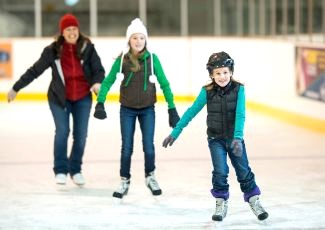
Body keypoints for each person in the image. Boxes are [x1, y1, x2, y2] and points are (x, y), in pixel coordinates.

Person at [162, 51, 269, 221]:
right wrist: (175, 132)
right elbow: (191, 112)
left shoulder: (239, 89)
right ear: (211, 75)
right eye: (218, 73)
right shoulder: (207, 91)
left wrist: (238, 138)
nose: (222, 76)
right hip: (215, 140)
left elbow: (241, 114)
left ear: (231, 71)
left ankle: (254, 200)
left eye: (225, 72)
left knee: (243, 170)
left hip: (235, 139)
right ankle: (221, 202)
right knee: (220, 171)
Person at [7, 13, 105, 186]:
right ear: (62, 32)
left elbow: (99, 70)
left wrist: (97, 83)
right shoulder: (52, 51)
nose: (72, 32)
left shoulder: (87, 48)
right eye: (68, 29)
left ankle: (75, 170)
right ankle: (60, 170)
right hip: (59, 98)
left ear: (78, 30)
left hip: (83, 97)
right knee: (62, 131)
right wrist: (16, 87)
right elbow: (34, 71)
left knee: (80, 135)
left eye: (74, 29)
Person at [93, 18, 180, 198]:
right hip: (127, 110)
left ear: (145, 40)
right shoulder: (123, 60)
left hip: (148, 109)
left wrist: (172, 108)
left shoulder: (153, 59)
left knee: (148, 146)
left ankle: (150, 176)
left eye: (141, 38)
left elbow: (165, 84)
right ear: (129, 40)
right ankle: (124, 180)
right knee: (127, 147)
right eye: (134, 38)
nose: (138, 41)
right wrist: (100, 102)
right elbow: (108, 81)